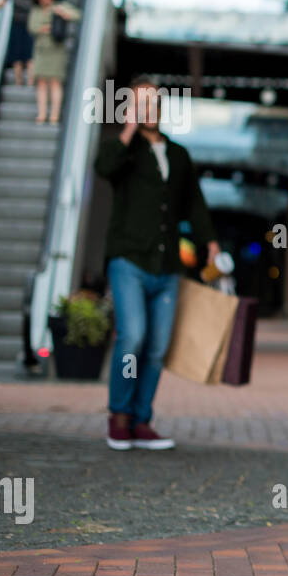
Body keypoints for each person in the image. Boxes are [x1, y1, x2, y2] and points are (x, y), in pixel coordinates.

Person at [94, 76, 220, 452]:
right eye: (140, 103)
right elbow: (103, 168)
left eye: (153, 102)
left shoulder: (178, 154)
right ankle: (119, 416)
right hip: (129, 259)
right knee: (132, 337)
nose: (149, 109)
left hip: (167, 265)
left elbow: (193, 203)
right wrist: (129, 127)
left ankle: (142, 420)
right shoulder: (122, 150)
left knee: (157, 345)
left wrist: (209, 241)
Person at [27, 0, 79, 124]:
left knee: (55, 82)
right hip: (42, 50)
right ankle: (42, 113)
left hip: (56, 49)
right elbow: (32, 27)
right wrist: (42, 29)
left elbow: (77, 14)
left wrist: (63, 14)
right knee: (42, 82)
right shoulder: (36, 10)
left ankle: (54, 114)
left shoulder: (59, 6)